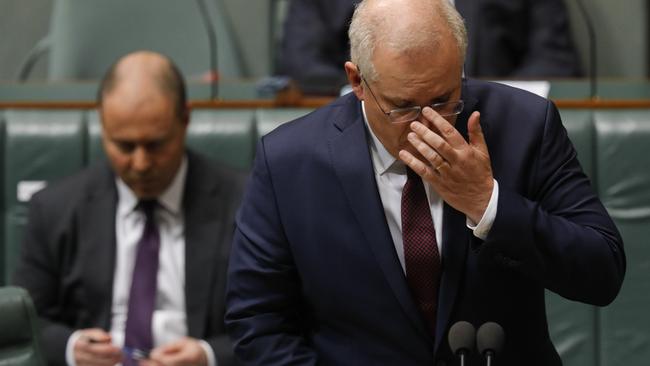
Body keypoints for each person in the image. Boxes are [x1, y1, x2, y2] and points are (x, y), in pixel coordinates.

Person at [225, 0, 624, 365]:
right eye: (402, 107)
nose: (426, 123)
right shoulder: (289, 161)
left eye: (444, 99)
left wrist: (489, 204)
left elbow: (602, 271)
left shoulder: (524, 126)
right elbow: (258, 322)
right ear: (358, 81)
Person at [13, 51, 244, 366]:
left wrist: (210, 356)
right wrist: (71, 348)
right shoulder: (54, 208)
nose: (141, 163)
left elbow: (283, 320)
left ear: (185, 119)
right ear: (102, 124)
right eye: (124, 146)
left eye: (156, 145)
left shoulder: (245, 203)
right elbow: (23, 322)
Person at [277, 0, 581, 94]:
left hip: (487, 131)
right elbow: (300, 64)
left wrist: (487, 102)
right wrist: (376, 101)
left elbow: (555, 61)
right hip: (364, 134)